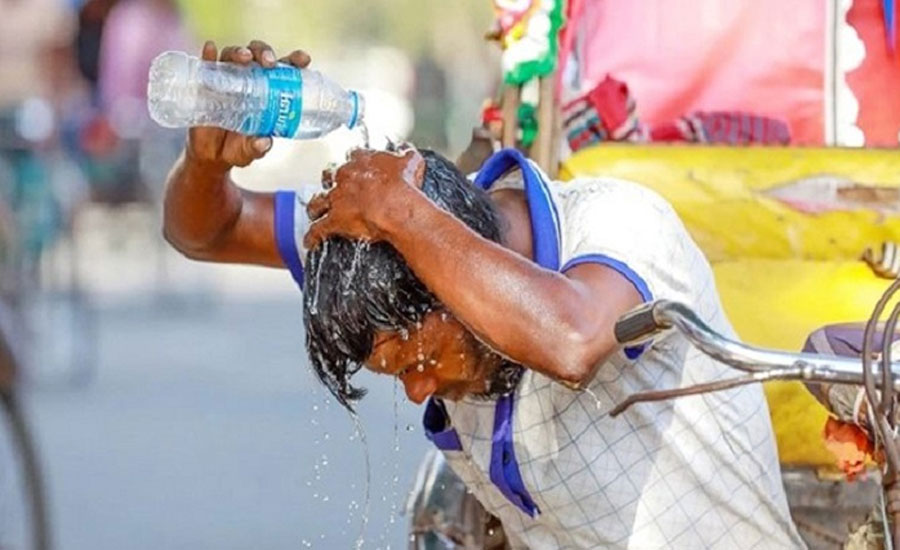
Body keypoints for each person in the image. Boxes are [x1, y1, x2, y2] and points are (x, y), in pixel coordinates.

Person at [163, 40, 807, 550]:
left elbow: (573, 340)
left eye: (415, 361)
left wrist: (403, 215)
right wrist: (207, 163)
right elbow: (205, 231)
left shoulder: (621, 225)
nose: (416, 392)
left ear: (449, 278)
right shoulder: (374, 237)